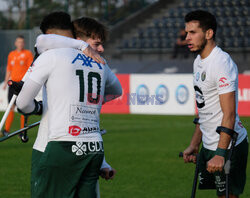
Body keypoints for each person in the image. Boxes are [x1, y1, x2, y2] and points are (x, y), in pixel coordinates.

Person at [16, 12, 122, 198]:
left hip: (59, 145)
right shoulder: (100, 63)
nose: (101, 48)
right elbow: (117, 91)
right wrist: (90, 101)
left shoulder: (52, 56)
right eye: (96, 43)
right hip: (94, 149)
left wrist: (37, 108)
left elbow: (22, 104)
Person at [182, 10, 248, 198]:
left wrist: (220, 153)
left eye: (193, 32)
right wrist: (195, 144)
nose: (187, 38)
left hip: (229, 147)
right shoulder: (198, 61)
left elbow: (229, 114)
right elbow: (204, 109)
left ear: (209, 33)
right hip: (209, 145)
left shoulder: (221, 62)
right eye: (187, 33)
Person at [1, 35, 33, 136]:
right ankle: (6, 130)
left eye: (22, 42)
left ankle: (22, 131)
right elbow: (9, 69)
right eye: (18, 42)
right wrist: (6, 82)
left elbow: (31, 69)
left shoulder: (28, 54)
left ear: (24, 43)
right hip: (12, 84)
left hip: (23, 84)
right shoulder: (11, 54)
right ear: (15, 43)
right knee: (10, 106)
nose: (20, 44)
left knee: (22, 107)